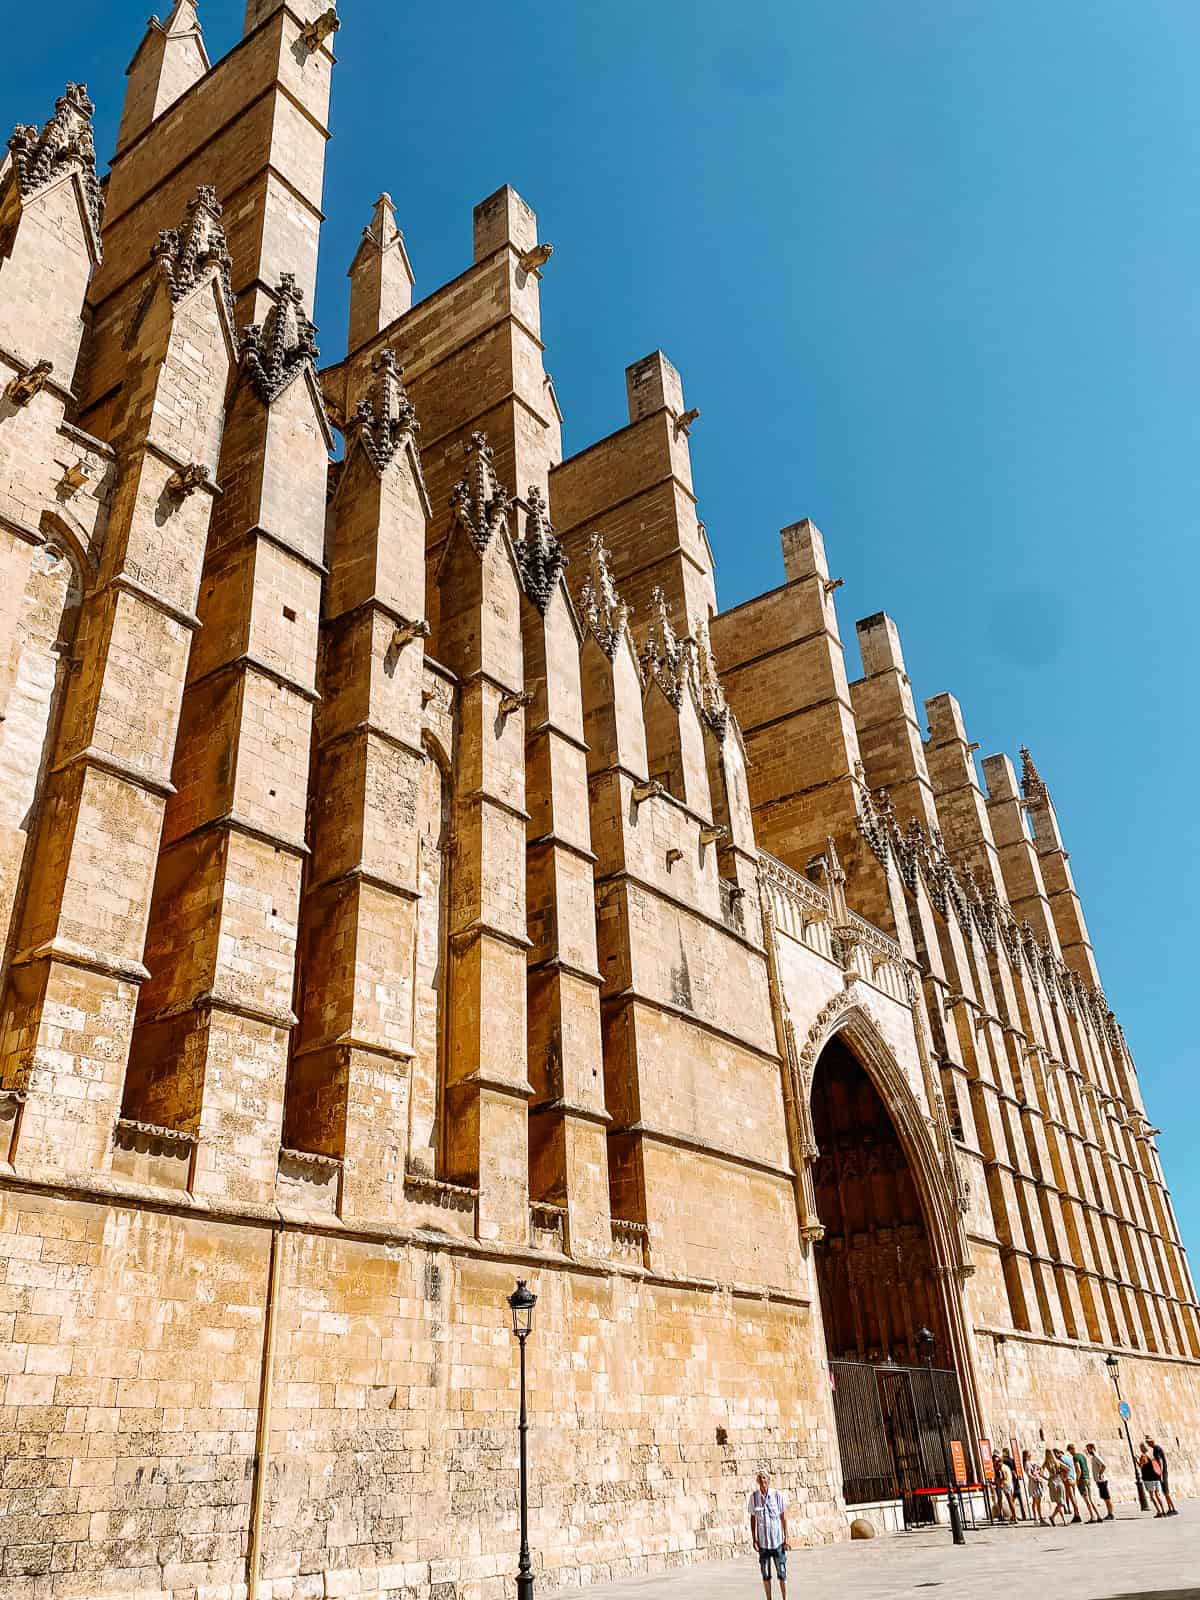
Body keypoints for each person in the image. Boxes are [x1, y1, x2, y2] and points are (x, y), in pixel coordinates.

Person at [748, 1470, 789, 1600]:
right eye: (760, 1478)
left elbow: (783, 1517)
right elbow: (753, 1518)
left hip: (777, 1542)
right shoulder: (754, 1497)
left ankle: (784, 1598)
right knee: (765, 1574)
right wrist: (754, 1539)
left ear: (768, 1480)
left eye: (764, 1478)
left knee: (782, 1573)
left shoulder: (777, 1495)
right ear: (757, 1481)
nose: (762, 1481)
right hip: (763, 1544)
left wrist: (786, 1537)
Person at [1069, 1442, 1102, 1524]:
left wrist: (1077, 1480)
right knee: (1091, 1499)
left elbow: (1078, 1470)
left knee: (1086, 1499)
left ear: (1071, 1450)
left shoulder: (1075, 1457)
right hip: (1087, 1478)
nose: (1070, 1453)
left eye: (1070, 1451)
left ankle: (1092, 1517)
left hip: (1082, 1480)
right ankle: (1098, 1515)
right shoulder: (1082, 1456)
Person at [1145, 1437, 1179, 1516]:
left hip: (1162, 1473)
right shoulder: (1156, 1448)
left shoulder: (1156, 1449)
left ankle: (1173, 1509)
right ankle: (1170, 1509)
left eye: (1148, 1443)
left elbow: (1160, 1461)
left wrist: (1161, 1473)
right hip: (1162, 1473)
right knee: (1165, 1492)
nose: (1148, 1444)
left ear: (1151, 1442)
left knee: (1166, 1492)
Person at [1086, 1444, 1114, 1521]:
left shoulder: (1096, 1457)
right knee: (1105, 1498)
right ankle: (1109, 1513)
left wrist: (1100, 1474)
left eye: (1089, 1449)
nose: (1088, 1451)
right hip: (1099, 1481)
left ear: (1092, 1449)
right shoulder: (1094, 1458)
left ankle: (1110, 1514)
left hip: (1102, 1480)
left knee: (1107, 1498)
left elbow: (1104, 1465)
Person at [1138, 1445, 1167, 1517]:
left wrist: (1137, 1461)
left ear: (1142, 1449)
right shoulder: (1151, 1456)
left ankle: (1159, 1512)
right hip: (1156, 1477)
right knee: (1158, 1495)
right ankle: (1163, 1511)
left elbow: (1141, 1466)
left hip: (1148, 1478)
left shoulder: (1143, 1456)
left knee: (1152, 1496)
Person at [1025, 1450, 1047, 1525]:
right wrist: (1035, 1476)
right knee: (1037, 1501)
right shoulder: (1027, 1463)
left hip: (1035, 1482)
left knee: (1036, 1501)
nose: (1030, 1455)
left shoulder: (1031, 1463)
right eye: (1029, 1454)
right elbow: (1029, 1473)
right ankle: (1039, 1518)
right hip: (1034, 1483)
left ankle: (1036, 1517)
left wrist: (1037, 1471)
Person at [1047, 1459, 1069, 1527]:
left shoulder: (1046, 1462)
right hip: (1059, 1482)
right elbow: (1068, 1469)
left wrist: (1048, 1479)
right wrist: (1065, 1478)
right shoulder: (1057, 1462)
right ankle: (1062, 1520)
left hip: (1053, 1483)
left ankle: (1054, 1517)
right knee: (1061, 1502)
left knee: (1060, 1503)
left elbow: (1041, 1473)